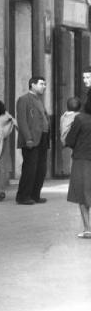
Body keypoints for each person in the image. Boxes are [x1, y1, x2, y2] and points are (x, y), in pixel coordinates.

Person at [16, 77, 49, 205]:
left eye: (45, 84)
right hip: (31, 139)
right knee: (30, 168)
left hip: (42, 138)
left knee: (41, 168)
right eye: (41, 84)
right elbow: (22, 121)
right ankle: (23, 196)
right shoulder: (24, 99)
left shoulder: (39, 100)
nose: (44, 86)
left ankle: (35, 195)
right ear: (32, 85)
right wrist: (28, 138)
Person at [65, 98, 91, 239]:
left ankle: (88, 228)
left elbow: (70, 140)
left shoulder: (80, 119)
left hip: (82, 160)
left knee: (83, 194)